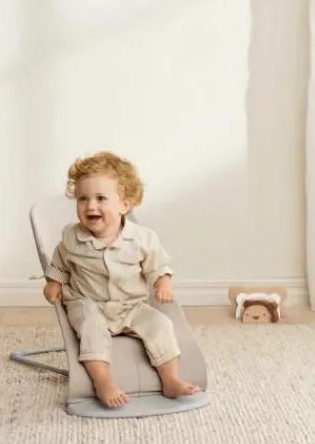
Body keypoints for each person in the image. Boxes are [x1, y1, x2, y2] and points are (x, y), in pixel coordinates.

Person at [43, 151, 201, 409]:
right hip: (88, 303)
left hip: (130, 306)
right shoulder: (72, 236)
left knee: (160, 324)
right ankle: (102, 382)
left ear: (124, 205)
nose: (90, 206)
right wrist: (54, 281)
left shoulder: (142, 238)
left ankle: (170, 379)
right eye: (83, 198)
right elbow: (61, 260)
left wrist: (162, 282)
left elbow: (159, 265)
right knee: (92, 329)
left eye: (101, 198)